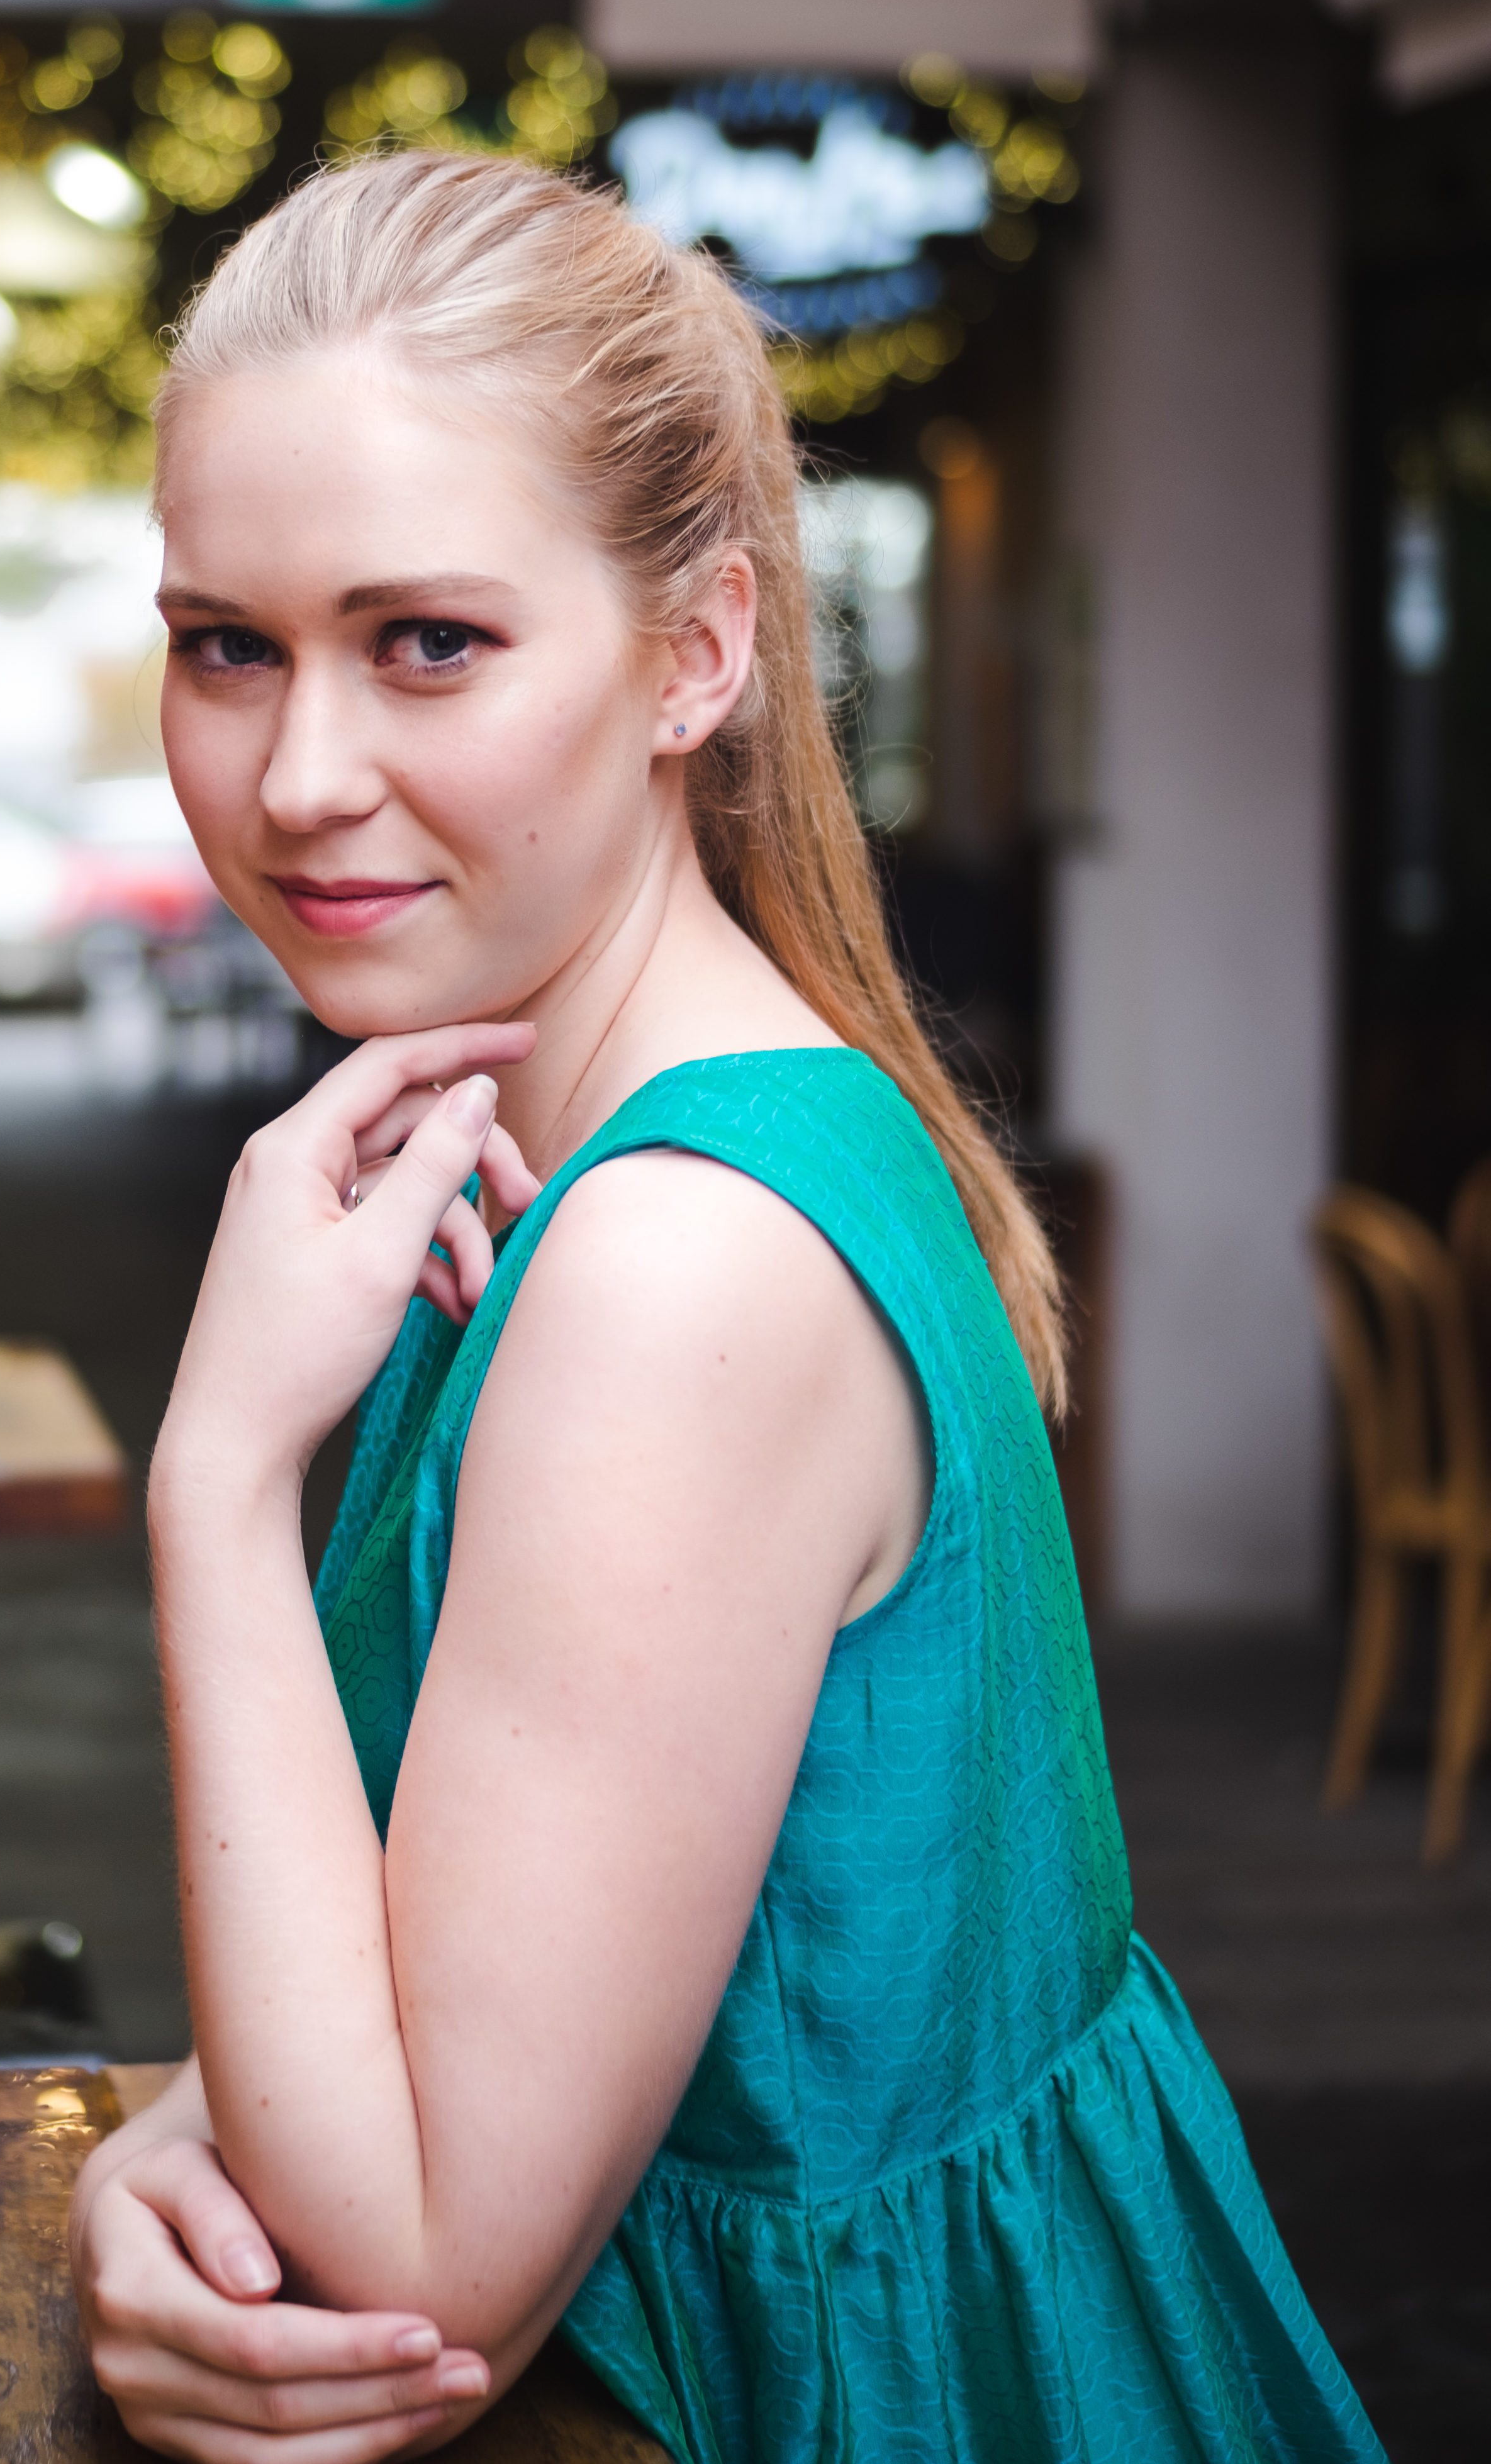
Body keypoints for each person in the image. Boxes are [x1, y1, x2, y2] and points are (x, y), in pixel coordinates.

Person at [69, 148, 1378, 2464]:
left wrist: (216, 1477)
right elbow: (475, 1974)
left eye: (428, 642)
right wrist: (170, 2147)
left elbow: (416, 2282)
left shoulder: (673, 1261)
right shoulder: (661, 1118)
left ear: (697, 655)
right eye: (227, 645)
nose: (298, 776)